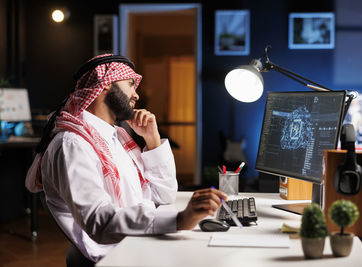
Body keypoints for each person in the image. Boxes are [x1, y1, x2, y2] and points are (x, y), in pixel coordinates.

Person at [25, 54, 227, 263]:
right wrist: (180, 220)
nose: (136, 95)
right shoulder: (73, 145)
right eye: (131, 84)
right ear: (105, 84)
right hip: (119, 255)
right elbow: (99, 222)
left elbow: (163, 196)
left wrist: (153, 140)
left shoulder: (115, 138)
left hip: (136, 243)